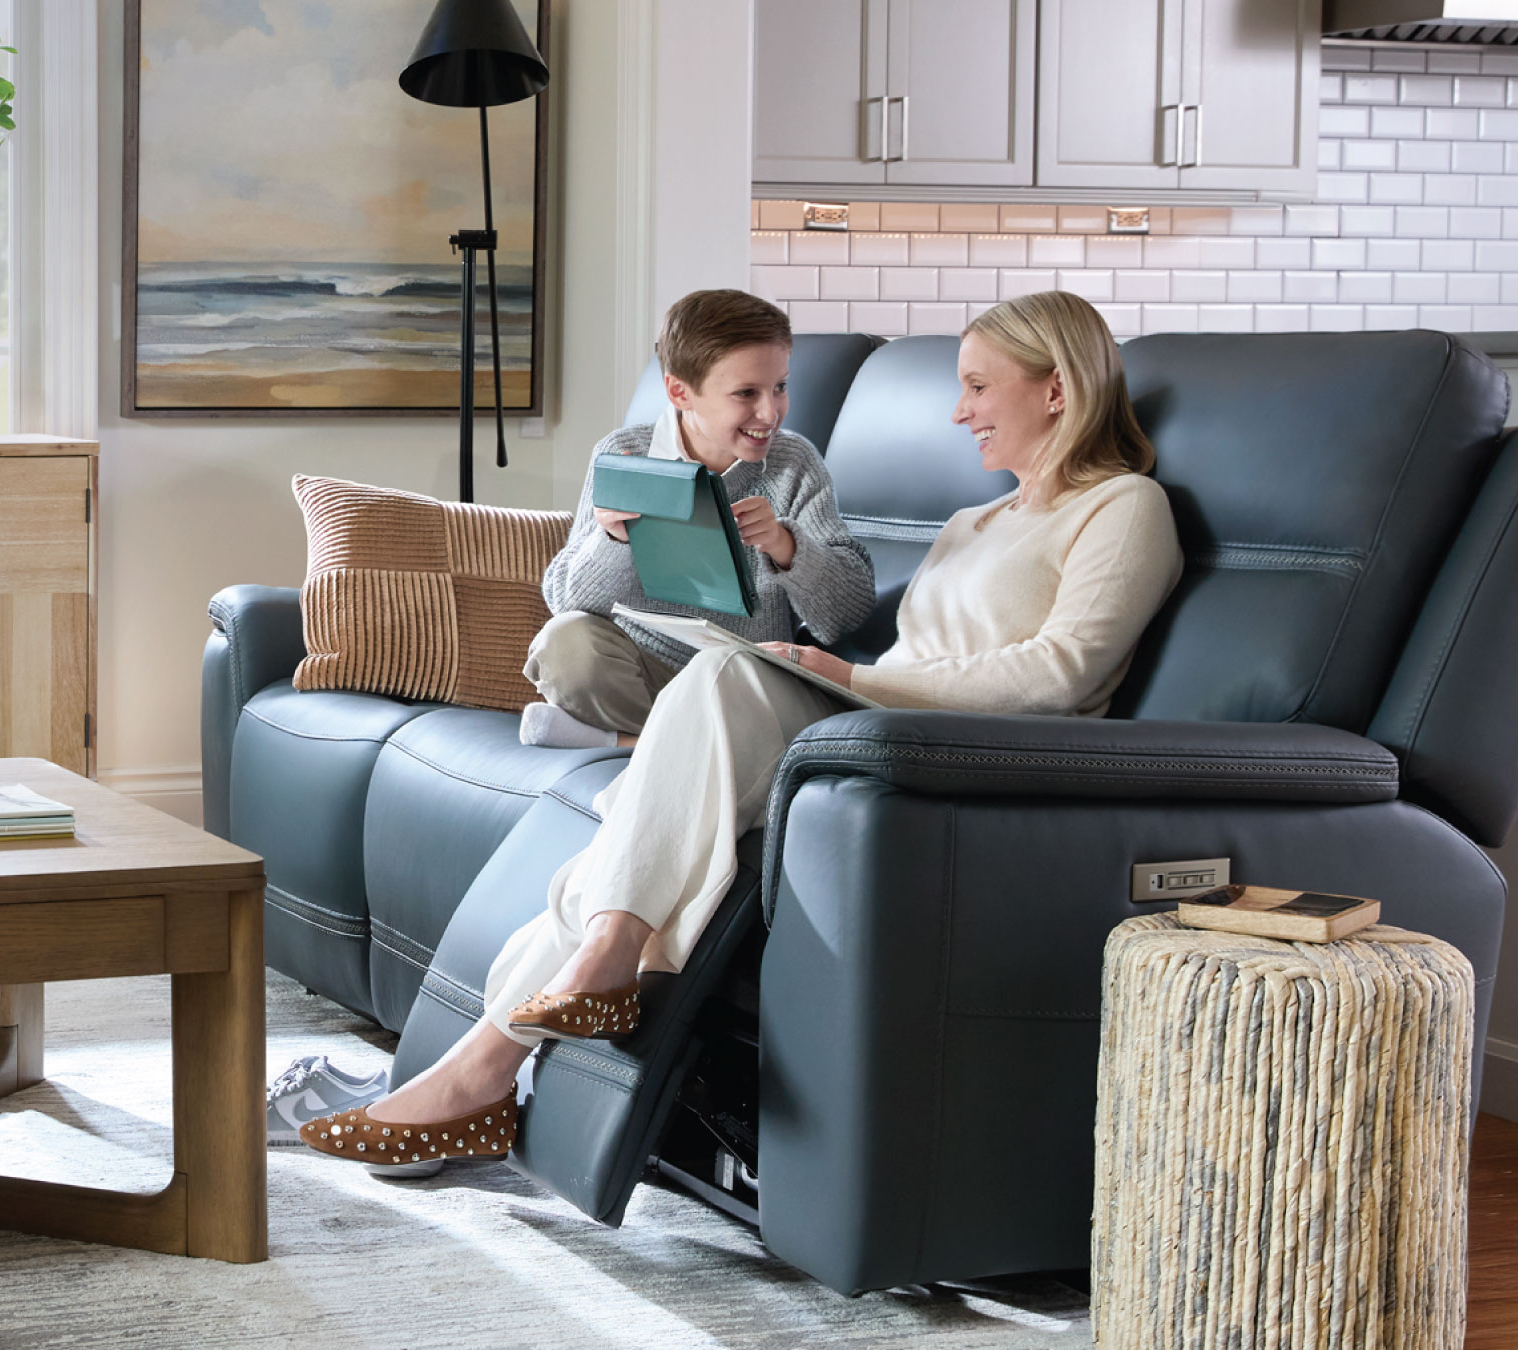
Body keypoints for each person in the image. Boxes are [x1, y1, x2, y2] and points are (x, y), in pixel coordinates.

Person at [302, 291, 1186, 1172]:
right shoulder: (975, 521)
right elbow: (575, 593)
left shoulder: (1124, 509)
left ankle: (509, 1049)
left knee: (718, 680)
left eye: (979, 388)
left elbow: (1059, 675)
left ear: (1058, 391)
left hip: (955, 753)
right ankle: (508, 1045)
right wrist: (842, 679)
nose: (960, 412)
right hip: (874, 726)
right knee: (651, 807)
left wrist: (848, 671)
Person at [521, 289, 874, 749]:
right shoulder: (625, 453)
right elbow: (564, 600)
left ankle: (625, 742)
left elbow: (847, 615)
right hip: (641, 676)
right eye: (746, 393)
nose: (770, 412)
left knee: (740, 689)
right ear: (679, 391)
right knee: (563, 644)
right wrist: (613, 540)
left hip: (741, 678)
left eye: (780, 387)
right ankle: (678, 743)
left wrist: (787, 547)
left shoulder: (795, 464)